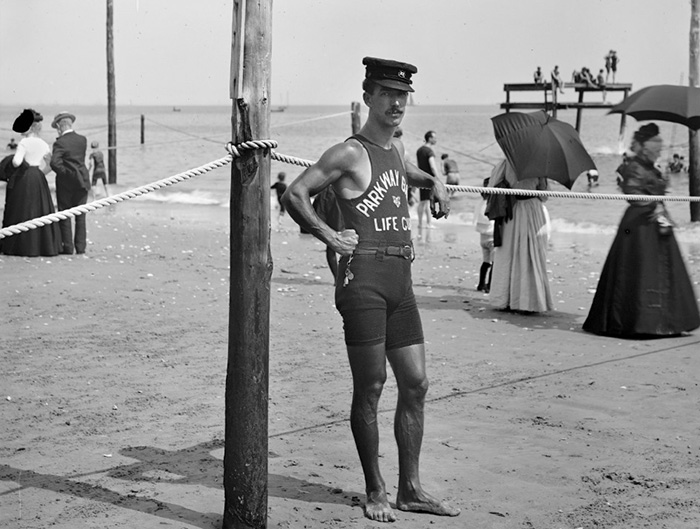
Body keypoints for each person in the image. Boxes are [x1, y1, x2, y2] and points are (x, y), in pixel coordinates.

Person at [281, 56, 459, 523]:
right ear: (368, 98)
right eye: (387, 93)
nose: (397, 102)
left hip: (402, 280)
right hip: (363, 282)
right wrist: (330, 236)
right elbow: (294, 194)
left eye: (402, 95)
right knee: (372, 386)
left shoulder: (394, 152)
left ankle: (410, 488)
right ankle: (376, 490)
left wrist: (436, 181)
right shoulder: (348, 151)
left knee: (417, 383)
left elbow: (402, 174)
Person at [583, 124, 700, 337]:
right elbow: (632, 194)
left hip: (657, 222)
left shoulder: (651, 166)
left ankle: (666, 320)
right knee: (639, 270)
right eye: (656, 147)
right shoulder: (635, 166)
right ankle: (638, 322)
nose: (659, 150)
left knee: (662, 271)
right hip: (639, 226)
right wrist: (653, 204)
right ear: (645, 147)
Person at [488, 159, 553, 313]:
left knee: (508, 254)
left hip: (511, 210)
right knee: (530, 254)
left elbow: (492, 187)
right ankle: (527, 302)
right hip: (531, 210)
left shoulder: (504, 163)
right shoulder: (539, 166)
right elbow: (544, 195)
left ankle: (504, 299)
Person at [1, 109, 61, 257]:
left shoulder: (24, 142)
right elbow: (49, 165)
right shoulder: (44, 144)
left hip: (24, 177)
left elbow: (16, 162)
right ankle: (42, 246)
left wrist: (9, 162)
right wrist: (40, 173)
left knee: (21, 209)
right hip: (38, 177)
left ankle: (18, 246)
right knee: (39, 210)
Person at [50, 111, 91, 255]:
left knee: (65, 214)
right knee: (81, 216)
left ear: (60, 127)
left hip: (66, 183)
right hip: (82, 180)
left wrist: (65, 173)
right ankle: (81, 248)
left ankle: (67, 247)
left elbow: (54, 163)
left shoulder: (60, 142)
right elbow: (77, 159)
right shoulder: (82, 140)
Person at [311, 185, 344, 281]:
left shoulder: (325, 191)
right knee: (351, 247)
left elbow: (319, 209)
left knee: (331, 249)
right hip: (345, 220)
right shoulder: (344, 188)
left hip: (330, 222)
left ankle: (336, 277)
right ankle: (343, 276)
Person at [416, 130, 439, 230]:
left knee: (422, 202)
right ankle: (429, 223)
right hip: (429, 179)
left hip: (421, 178)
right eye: (434, 137)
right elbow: (433, 166)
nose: (436, 139)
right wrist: (437, 178)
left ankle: (420, 223)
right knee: (428, 202)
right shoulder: (429, 151)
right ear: (430, 138)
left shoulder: (420, 150)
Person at [474, 177, 494, 293]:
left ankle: (481, 284)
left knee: (486, 262)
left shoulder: (482, 201)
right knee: (494, 263)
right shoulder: (492, 203)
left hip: (482, 238)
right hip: (492, 237)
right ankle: (490, 285)